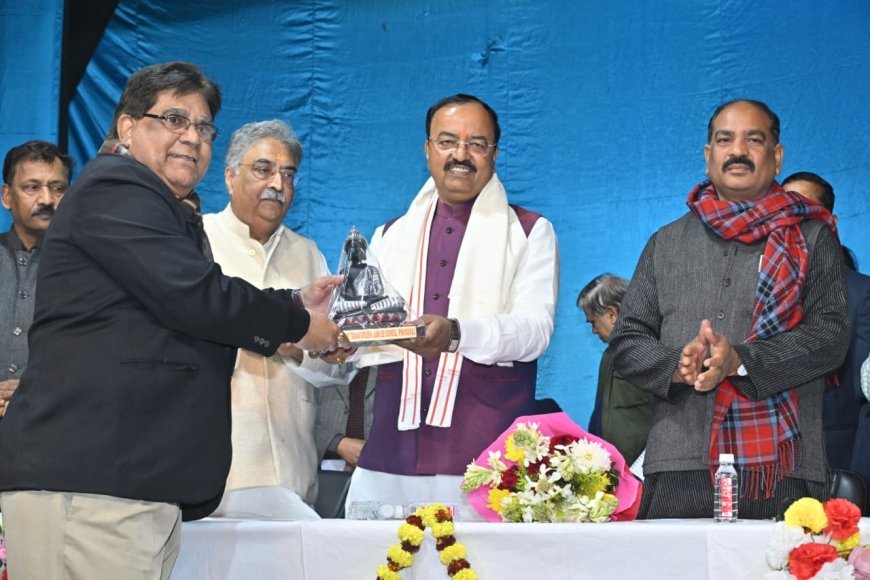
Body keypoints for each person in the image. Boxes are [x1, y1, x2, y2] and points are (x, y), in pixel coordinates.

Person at [0, 62, 341, 579]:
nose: (192, 137)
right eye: (174, 119)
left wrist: (293, 299)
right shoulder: (116, 187)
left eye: (203, 127)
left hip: (129, 483)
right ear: (127, 127)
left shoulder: (159, 203)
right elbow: (194, 294)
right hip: (90, 483)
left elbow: (181, 295)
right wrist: (295, 323)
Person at [610, 99, 850, 519]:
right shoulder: (665, 242)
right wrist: (677, 367)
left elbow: (830, 338)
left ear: (777, 156)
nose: (737, 150)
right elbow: (627, 341)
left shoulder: (813, 238)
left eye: (753, 140)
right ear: (708, 156)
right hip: (678, 465)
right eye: (725, 140)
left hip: (782, 469)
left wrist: (740, 361)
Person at [345, 94, 559, 518]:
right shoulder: (388, 235)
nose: (461, 155)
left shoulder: (529, 231)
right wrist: (340, 341)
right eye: (447, 142)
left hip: (486, 448)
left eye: (476, 144)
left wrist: (457, 334)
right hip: (392, 447)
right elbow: (368, 330)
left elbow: (534, 331)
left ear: (494, 154)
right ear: (427, 150)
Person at [203, 119, 349, 519]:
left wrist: (299, 348)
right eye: (263, 169)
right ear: (229, 176)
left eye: (288, 174)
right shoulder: (198, 240)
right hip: (216, 473)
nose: (277, 184)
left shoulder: (308, 253)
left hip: (293, 470)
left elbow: (337, 370)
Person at [782, 171, 870, 482]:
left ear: (830, 221)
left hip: (836, 469)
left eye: (802, 210)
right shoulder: (762, 297)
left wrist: (857, 486)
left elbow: (865, 403)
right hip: (770, 472)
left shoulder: (861, 295)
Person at [0, 141, 72, 418]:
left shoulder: (89, 271)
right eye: (32, 187)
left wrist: (36, 390)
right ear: (7, 196)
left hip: (52, 425)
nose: (46, 200)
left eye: (57, 188)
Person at [578, 273, 653, 465]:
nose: (593, 330)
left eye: (593, 322)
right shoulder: (609, 355)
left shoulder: (650, 351)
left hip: (640, 468)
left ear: (612, 314)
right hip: (610, 466)